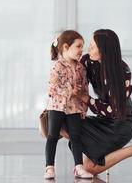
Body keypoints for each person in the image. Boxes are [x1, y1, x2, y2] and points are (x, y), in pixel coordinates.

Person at [62, 29, 132, 176]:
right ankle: (104, 152)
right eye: (90, 44)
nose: (88, 49)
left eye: (93, 46)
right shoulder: (88, 61)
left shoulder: (122, 72)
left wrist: (86, 99)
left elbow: (113, 110)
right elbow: (73, 76)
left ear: (104, 51)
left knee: (89, 168)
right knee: (60, 122)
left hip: (121, 123)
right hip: (103, 118)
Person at [44, 30, 93, 179]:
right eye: (78, 46)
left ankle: (79, 167)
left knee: (75, 137)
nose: (81, 50)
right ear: (66, 47)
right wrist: (70, 91)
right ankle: (49, 167)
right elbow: (52, 87)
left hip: (75, 108)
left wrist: (83, 108)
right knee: (52, 136)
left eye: (82, 47)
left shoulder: (81, 68)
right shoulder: (57, 66)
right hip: (57, 107)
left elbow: (85, 89)